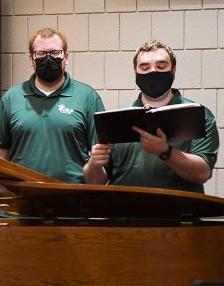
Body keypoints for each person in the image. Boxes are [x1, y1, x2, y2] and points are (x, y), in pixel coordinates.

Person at [0, 27, 104, 217]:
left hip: (72, 211)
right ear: (31, 59)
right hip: (19, 210)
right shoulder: (12, 97)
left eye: (55, 53)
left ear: (66, 57)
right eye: (41, 53)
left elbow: (100, 164)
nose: (49, 58)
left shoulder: (87, 97)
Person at [83, 40, 219, 193]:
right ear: (136, 72)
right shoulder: (116, 119)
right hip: (125, 213)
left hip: (178, 213)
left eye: (161, 66)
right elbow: (95, 182)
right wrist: (94, 164)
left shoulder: (197, 115)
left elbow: (202, 173)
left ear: (173, 71)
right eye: (144, 67)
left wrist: (165, 152)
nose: (152, 72)